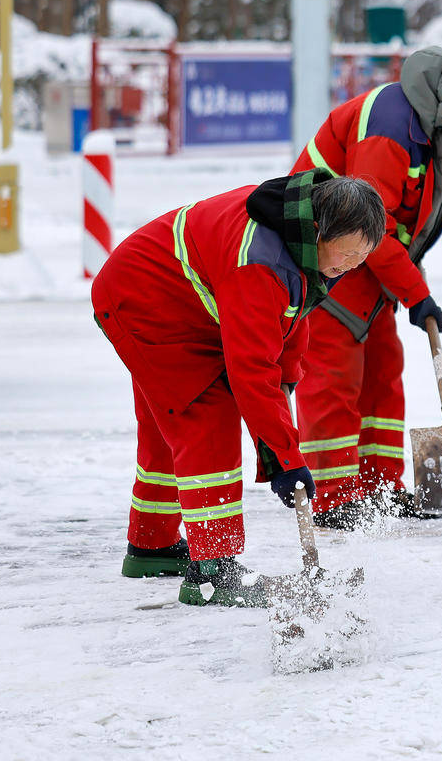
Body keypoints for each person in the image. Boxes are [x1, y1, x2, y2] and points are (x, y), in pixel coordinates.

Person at [92, 171, 386, 605]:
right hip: (147, 301)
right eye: (346, 254)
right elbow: (250, 370)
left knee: (167, 423)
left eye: (361, 259)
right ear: (319, 230)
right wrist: (285, 459)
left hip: (174, 299)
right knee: (206, 416)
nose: (349, 266)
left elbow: (290, 318)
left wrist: (287, 379)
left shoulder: (301, 237)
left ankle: (152, 545)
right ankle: (213, 571)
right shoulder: (260, 262)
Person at [290, 39, 442, 529]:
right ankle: (332, 495)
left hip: (369, 261)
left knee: (383, 371)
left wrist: (411, 274)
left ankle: (379, 487)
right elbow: (370, 222)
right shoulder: (391, 126)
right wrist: (416, 292)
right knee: (334, 376)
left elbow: (410, 216)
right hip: (326, 254)